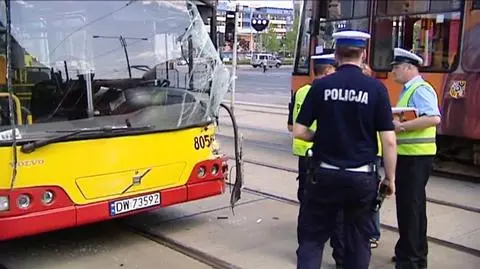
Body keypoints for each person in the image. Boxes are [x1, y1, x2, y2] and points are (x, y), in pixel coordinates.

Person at [293, 30, 397, 269]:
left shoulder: (320, 87)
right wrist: (390, 178)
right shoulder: (376, 89)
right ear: (364, 54)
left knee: (312, 239)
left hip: (324, 176)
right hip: (362, 178)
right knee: (358, 240)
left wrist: (320, 136)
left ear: (336, 56)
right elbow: (389, 141)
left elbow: (298, 131)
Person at [287, 53, 344, 268]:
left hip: (303, 154)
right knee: (336, 207)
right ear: (329, 70)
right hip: (324, 154)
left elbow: (292, 126)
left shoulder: (302, 91)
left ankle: (304, 247)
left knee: (307, 204)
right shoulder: (329, 93)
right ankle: (339, 254)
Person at [389, 48, 441, 269]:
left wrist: (401, 127)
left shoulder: (420, 89)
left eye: (397, 67)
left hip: (416, 158)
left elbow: (434, 118)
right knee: (413, 208)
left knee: (410, 209)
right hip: (412, 157)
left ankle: (410, 260)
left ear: (409, 67)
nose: (393, 72)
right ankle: (412, 253)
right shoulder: (410, 89)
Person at [361, 62, 382, 249]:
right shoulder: (376, 93)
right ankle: (369, 233)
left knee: (370, 197)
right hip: (370, 152)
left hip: (371, 153)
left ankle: (372, 233)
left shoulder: (374, 95)